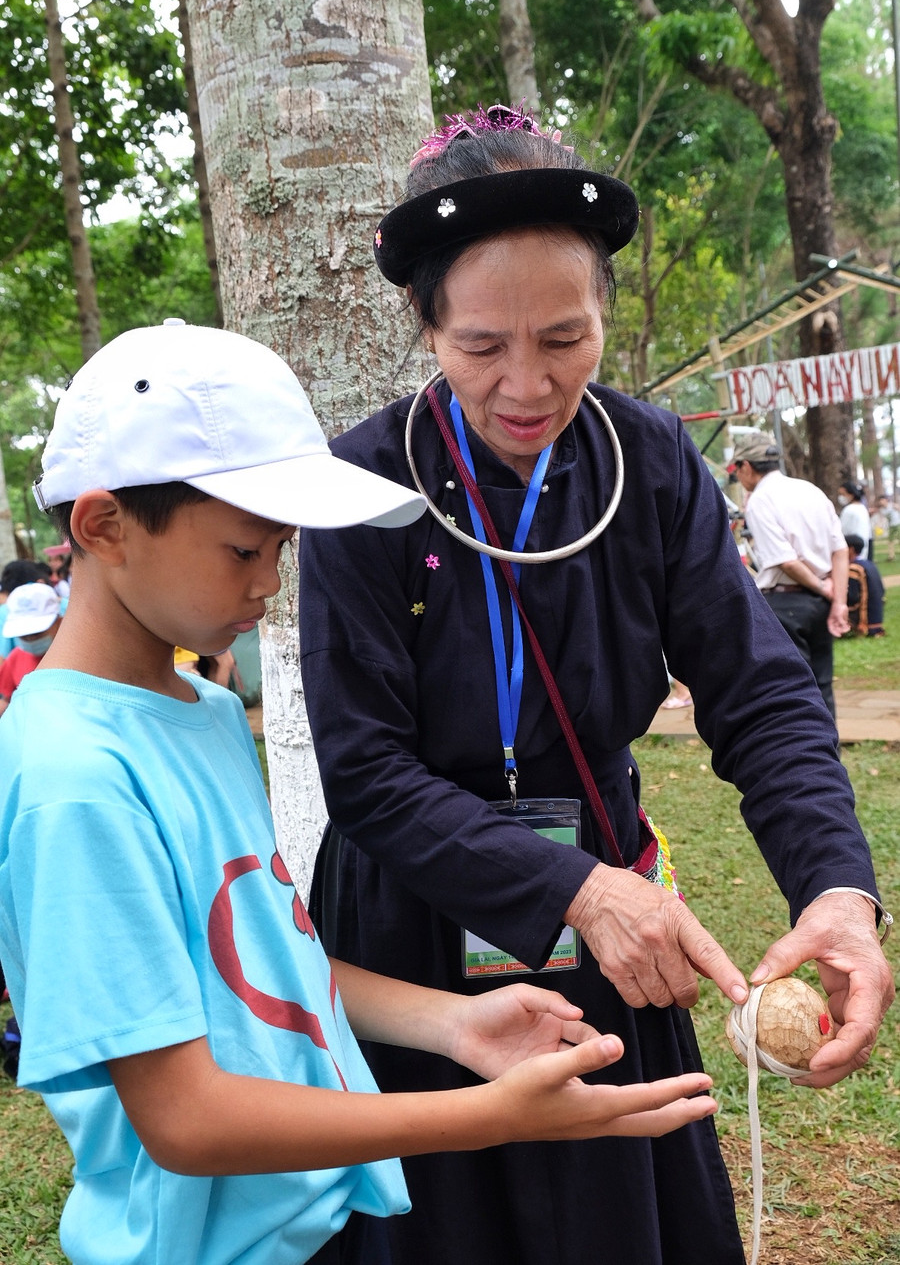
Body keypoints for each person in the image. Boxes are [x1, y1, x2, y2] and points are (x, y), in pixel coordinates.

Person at [298, 105, 894, 1265]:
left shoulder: (652, 459)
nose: (528, 384)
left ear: (605, 316)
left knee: (620, 1217)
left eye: (566, 337)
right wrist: (578, 890)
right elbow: (364, 769)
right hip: (419, 925)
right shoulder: (362, 483)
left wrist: (837, 889)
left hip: (613, 913)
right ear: (426, 328)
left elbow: (758, 691)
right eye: (482, 346)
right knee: (442, 1228)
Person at [0, 321, 721, 1265]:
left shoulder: (208, 712)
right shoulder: (74, 781)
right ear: (103, 527)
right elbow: (184, 1120)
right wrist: (483, 1118)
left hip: (312, 1220)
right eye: (242, 551)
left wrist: (455, 1023)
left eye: (282, 550)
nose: (271, 584)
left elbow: (258, 967)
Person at [732, 431, 849, 719]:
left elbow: (786, 561)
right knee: (822, 684)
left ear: (746, 466)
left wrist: (824, 588)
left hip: (786, 604)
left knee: (792, 689)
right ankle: (830, 757)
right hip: (820, 603)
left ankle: (807, 759)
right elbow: (840, 550)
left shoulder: (760, 500)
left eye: (737, 469)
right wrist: (838, 601)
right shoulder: (810, 490)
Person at [0, 581, 63, 715]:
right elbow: (6, 698)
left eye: (36, 633)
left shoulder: (75, 656)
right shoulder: (15, 658)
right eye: (23, 635)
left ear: (59, 622)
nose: (29, 639)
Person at [845, 533, 886, 636]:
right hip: (877, 619)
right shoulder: (869, 564)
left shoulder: (854, 569)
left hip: (865, 619)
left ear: (851, 549)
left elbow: (852, 598)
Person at [838, 479, 873, 560]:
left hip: (851, 549)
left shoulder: (848, 510)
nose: (841, 497)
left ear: (851, 494)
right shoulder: (862, 508)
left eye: (842, 494)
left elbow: (842, 531)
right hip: (863, 548)